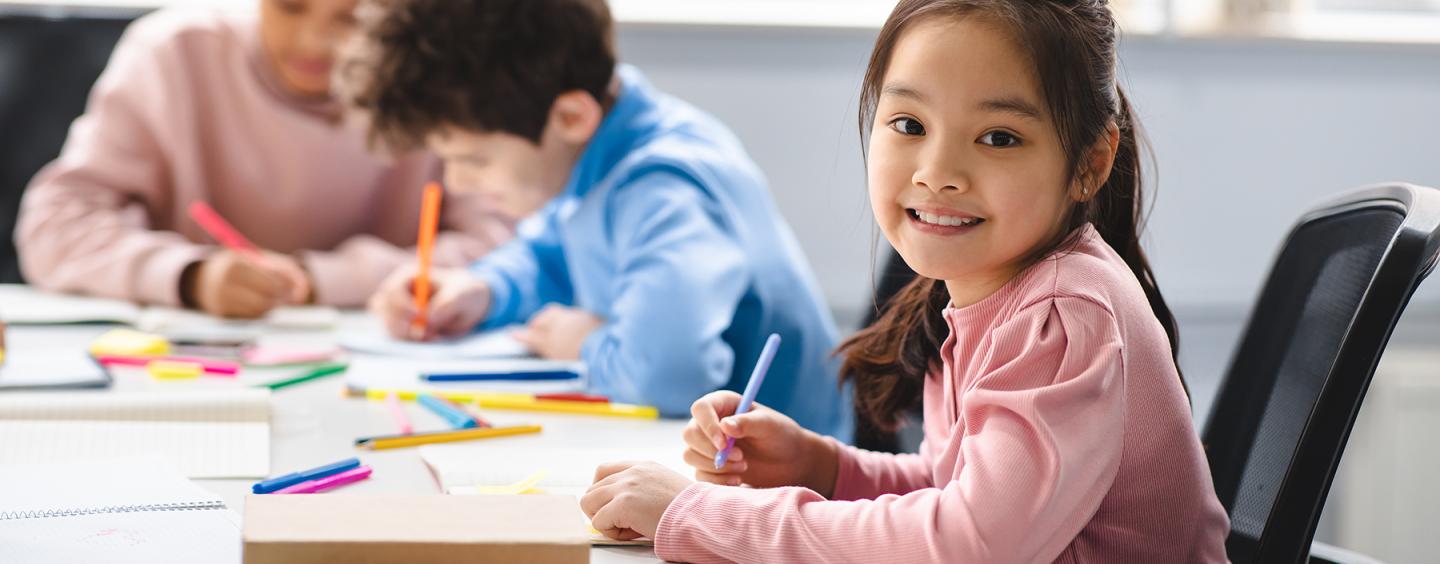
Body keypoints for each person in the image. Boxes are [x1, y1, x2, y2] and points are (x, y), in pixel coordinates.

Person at [581, 1, 1231, 561]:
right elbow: (958, 489)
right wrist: (824, 467)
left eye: (999, 137)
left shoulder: (1064, 315)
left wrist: (700, 515)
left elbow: (966, 545)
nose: (937, 170)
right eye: (909, 126)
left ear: (1090, 164)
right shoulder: (992, 290)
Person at [347, 0, 850, 437]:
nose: (456, 182)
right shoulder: (596, 146)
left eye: (474, 160)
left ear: (570, 117)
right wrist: (483, 290)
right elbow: (551, 258)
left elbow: (670, 375)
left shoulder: (662, 187)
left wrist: (584, 344)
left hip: (791, 488)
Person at [16, 0, 511, 318]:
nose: (313, 43)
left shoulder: (439, 72)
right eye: (290, 7)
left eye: (354, 18)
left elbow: (508, 245)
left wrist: (327, 280)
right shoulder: (172, 52)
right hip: (191, 359)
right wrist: (190, 275)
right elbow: (53, 227)